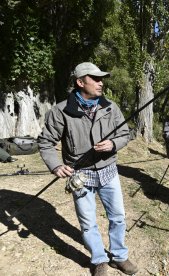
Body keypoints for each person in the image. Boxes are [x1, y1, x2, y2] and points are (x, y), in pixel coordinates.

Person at [38, 62, 138, 276]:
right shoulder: (61, 111)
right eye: (96, 79)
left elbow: (124, 134)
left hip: (109, 171)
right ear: (80, 82)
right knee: (88, 221)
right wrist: (55, 165)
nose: (101, 83)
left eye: (102, 78)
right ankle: (99, 259)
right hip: (80, 175)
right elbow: (46, 142)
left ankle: (119, 256)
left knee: (118, 216)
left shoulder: (110, 107)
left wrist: (113, 144)